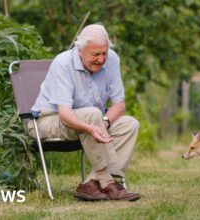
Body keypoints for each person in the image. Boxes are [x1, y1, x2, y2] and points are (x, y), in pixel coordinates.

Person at [28, 23, 140, 201]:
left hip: (89, 119)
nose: (102, 59)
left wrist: (102, 124)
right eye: (95, 54)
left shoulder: (112, 59)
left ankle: (90, 184)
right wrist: (91, 126)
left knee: (130, 124)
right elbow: (65, 114)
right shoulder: (62, 63)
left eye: (104, 53)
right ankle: (108, 183)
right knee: (91, 114)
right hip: (45, 121)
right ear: (80, 50)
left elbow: (119, 105)